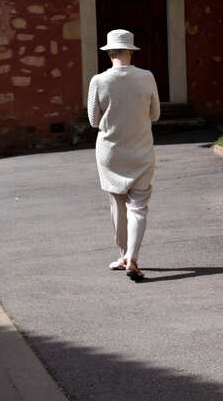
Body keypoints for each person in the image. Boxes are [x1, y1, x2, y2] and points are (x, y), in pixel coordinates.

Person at [87, 29, 160, 282]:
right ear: (130, 51)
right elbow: (156, 114)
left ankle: (122, 255)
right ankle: (132, 256)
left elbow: (94, 121)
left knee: (118, 205)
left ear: (108, 53)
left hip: (110, 151)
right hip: (141, 149)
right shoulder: (147, 77)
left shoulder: (98, 81)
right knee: (138, 207)